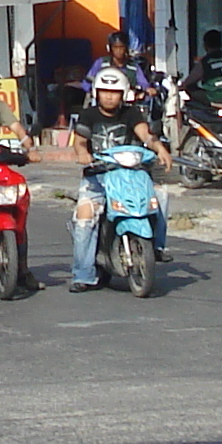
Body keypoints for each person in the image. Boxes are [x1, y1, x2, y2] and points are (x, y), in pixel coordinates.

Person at [70, 65, 172, 292]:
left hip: (131, 175)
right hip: (97, 176)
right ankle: (83, 274)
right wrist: (82, 153)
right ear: (96, 92)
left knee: (160, 197)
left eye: (114, 92)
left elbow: (145, 134)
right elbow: (79, 141)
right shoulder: (89, 115)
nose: (109, 95)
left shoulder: (131, 113)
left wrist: (159, 148)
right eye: (104, 90)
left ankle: (157, 247)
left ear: (123, 94)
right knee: (85, 216)